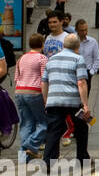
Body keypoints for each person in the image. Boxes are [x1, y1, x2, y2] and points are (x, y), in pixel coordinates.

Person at [42, 32, 91, 168]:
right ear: (78, 46)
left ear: (64, 45)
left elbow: (44, 82)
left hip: (54, 102)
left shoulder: (51, 59)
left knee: (53, 131)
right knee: (81, 128)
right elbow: (81, 82)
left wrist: (46, 101)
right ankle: (83, 160)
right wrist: (85, 105)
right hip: (73, 103)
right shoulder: (78, 59)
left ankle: (47, 163)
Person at [13, 33, 48, 164]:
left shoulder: (22, 58)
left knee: (26, 123)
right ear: (42, 44)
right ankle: (30, 145)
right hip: (34, 92)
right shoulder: (42, 58)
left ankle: (24, 157)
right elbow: (44, 80)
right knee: (44, 123)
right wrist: (45, 98)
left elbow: (17, 77)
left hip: (20, 91)